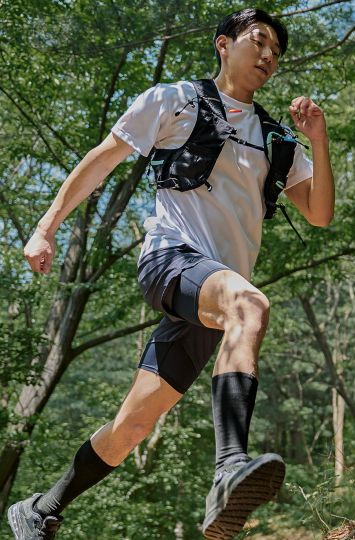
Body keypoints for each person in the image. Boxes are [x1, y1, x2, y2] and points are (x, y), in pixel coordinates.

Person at [8, 7, 334, 539]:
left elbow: (319, 214)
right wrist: (46, 228)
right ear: (223, 44)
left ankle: (41, 508)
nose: (269, 55)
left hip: (213, 297)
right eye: (258, 41)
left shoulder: (276, 138)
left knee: (134, 423)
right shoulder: (174, 99)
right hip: (172, 259)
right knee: (250, 306)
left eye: (277, 51)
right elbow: (103, 159)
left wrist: (317, 139)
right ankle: (229, 467)